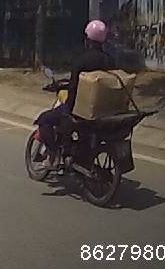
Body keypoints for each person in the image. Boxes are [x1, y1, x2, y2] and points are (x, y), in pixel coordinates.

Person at [34, 19, 114, 164]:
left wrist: (67, 110)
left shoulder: (82, 61)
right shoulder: (110, 60)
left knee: (44, 119)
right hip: (103, 110)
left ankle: (54, 154)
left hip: (80, 110)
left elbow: (73, 88)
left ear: (88, 40)